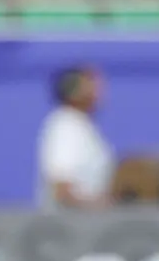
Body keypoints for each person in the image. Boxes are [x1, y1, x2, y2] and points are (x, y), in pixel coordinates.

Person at [37, 65, 115, 209]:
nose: (98, 90)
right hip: (68, 227)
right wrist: (105, 207)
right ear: (74, 91)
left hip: (90, 225)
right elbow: (61, 189)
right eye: (91, 83)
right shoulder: (65, 126)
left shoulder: (83, 125)